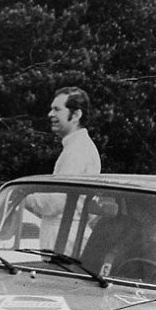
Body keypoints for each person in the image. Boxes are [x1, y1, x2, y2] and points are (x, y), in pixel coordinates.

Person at [26, 86, 102, 249]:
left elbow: (56, 201)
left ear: (76, 115)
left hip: (65, 239)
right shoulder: (75, 147)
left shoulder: (78, 150)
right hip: (63, 236)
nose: (50, 114)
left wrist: (25, 197)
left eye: (57, 109)